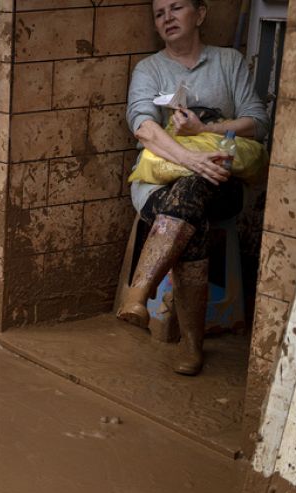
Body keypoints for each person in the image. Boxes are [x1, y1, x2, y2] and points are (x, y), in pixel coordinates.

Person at [121, 0, 269, 375]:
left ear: (200, 15)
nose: (167, 18)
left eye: (177, 8)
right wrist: (190, 160)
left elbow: (257, 122)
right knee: (191, 200)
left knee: (195, 192)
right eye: (159, 13)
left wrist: (205, 132)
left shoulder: (228, 62)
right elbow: (142, 126)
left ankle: (139, 292)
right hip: (161, 183)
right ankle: (191, 346)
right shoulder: (150, 69)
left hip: (224, 181)